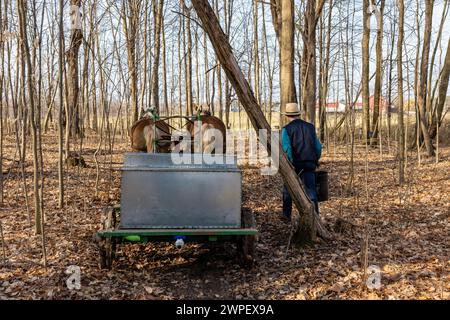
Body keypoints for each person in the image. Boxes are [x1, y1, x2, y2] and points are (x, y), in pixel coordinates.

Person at [281, 103, 322, 219]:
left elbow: (287, 149)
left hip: (294, 165)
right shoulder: (310, 127)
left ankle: (286, 216)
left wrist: (290, 163)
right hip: (310, 164)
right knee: (311, 191)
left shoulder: (286, 130)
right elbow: (318, 147)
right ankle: (315, 217)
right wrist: (315, 159)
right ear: (299, 114)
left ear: (287, 116)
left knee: (288, 190)